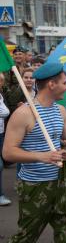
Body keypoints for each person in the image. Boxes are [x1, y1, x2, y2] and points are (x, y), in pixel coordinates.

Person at [0, 62, 66, 243]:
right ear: (51, 84)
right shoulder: (23, 114)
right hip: (35, 187)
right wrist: (42, 156)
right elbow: (8, 152)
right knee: (24, 239)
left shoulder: (61, 110)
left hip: (63, 185)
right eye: (64, 82)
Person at [0, 73, 11, 206]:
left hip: (1, 133)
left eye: (1, 81)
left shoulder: (1, 95)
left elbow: (5, 111)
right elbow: (4, 112)